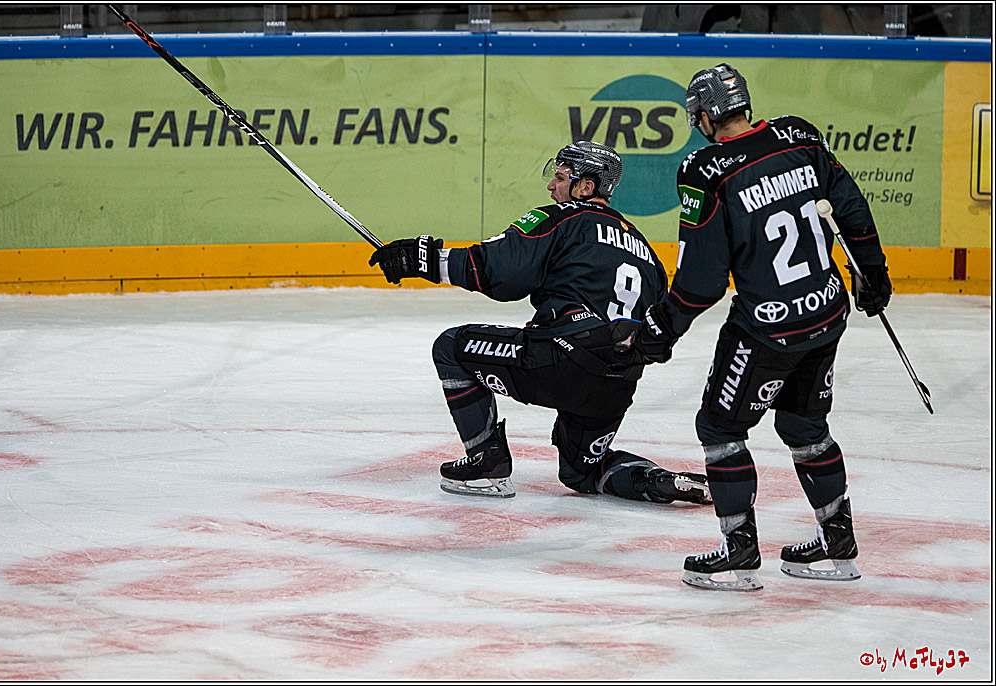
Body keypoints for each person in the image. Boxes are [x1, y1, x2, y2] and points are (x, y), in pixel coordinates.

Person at [635, 63, 892, 590]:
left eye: (697, 116)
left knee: (720, 428)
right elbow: (850, 206)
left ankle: (739, 553)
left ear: (708, 115)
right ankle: (837, 542)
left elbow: (702, 280)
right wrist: (872, 271)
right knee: (804, 427)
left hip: (767, 329)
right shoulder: (799, 135)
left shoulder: (706, 170)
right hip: (826, 314)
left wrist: (663, 327)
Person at [368, 141, 710, 506]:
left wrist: (424, 260)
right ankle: (656, 480)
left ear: (586, 187)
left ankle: (486, 462)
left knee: (451, 347)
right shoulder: (648, 253)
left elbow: (499, 270)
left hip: (558, 359)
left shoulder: (562, 219)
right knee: (581, 472)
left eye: (561, 178)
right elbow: (659, 328)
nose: (551, 186)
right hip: (615, 385)